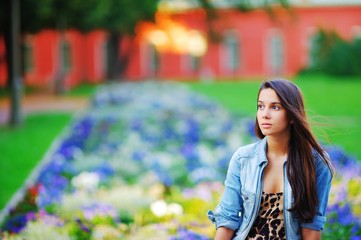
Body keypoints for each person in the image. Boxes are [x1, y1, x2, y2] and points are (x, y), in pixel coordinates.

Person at [208, 78, 334, 240]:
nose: (265, 114)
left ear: (292, 115)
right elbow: (227, 219)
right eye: (261, 106)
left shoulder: (316, 163)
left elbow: (311, 227)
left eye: (275, 107)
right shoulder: (243, 158)